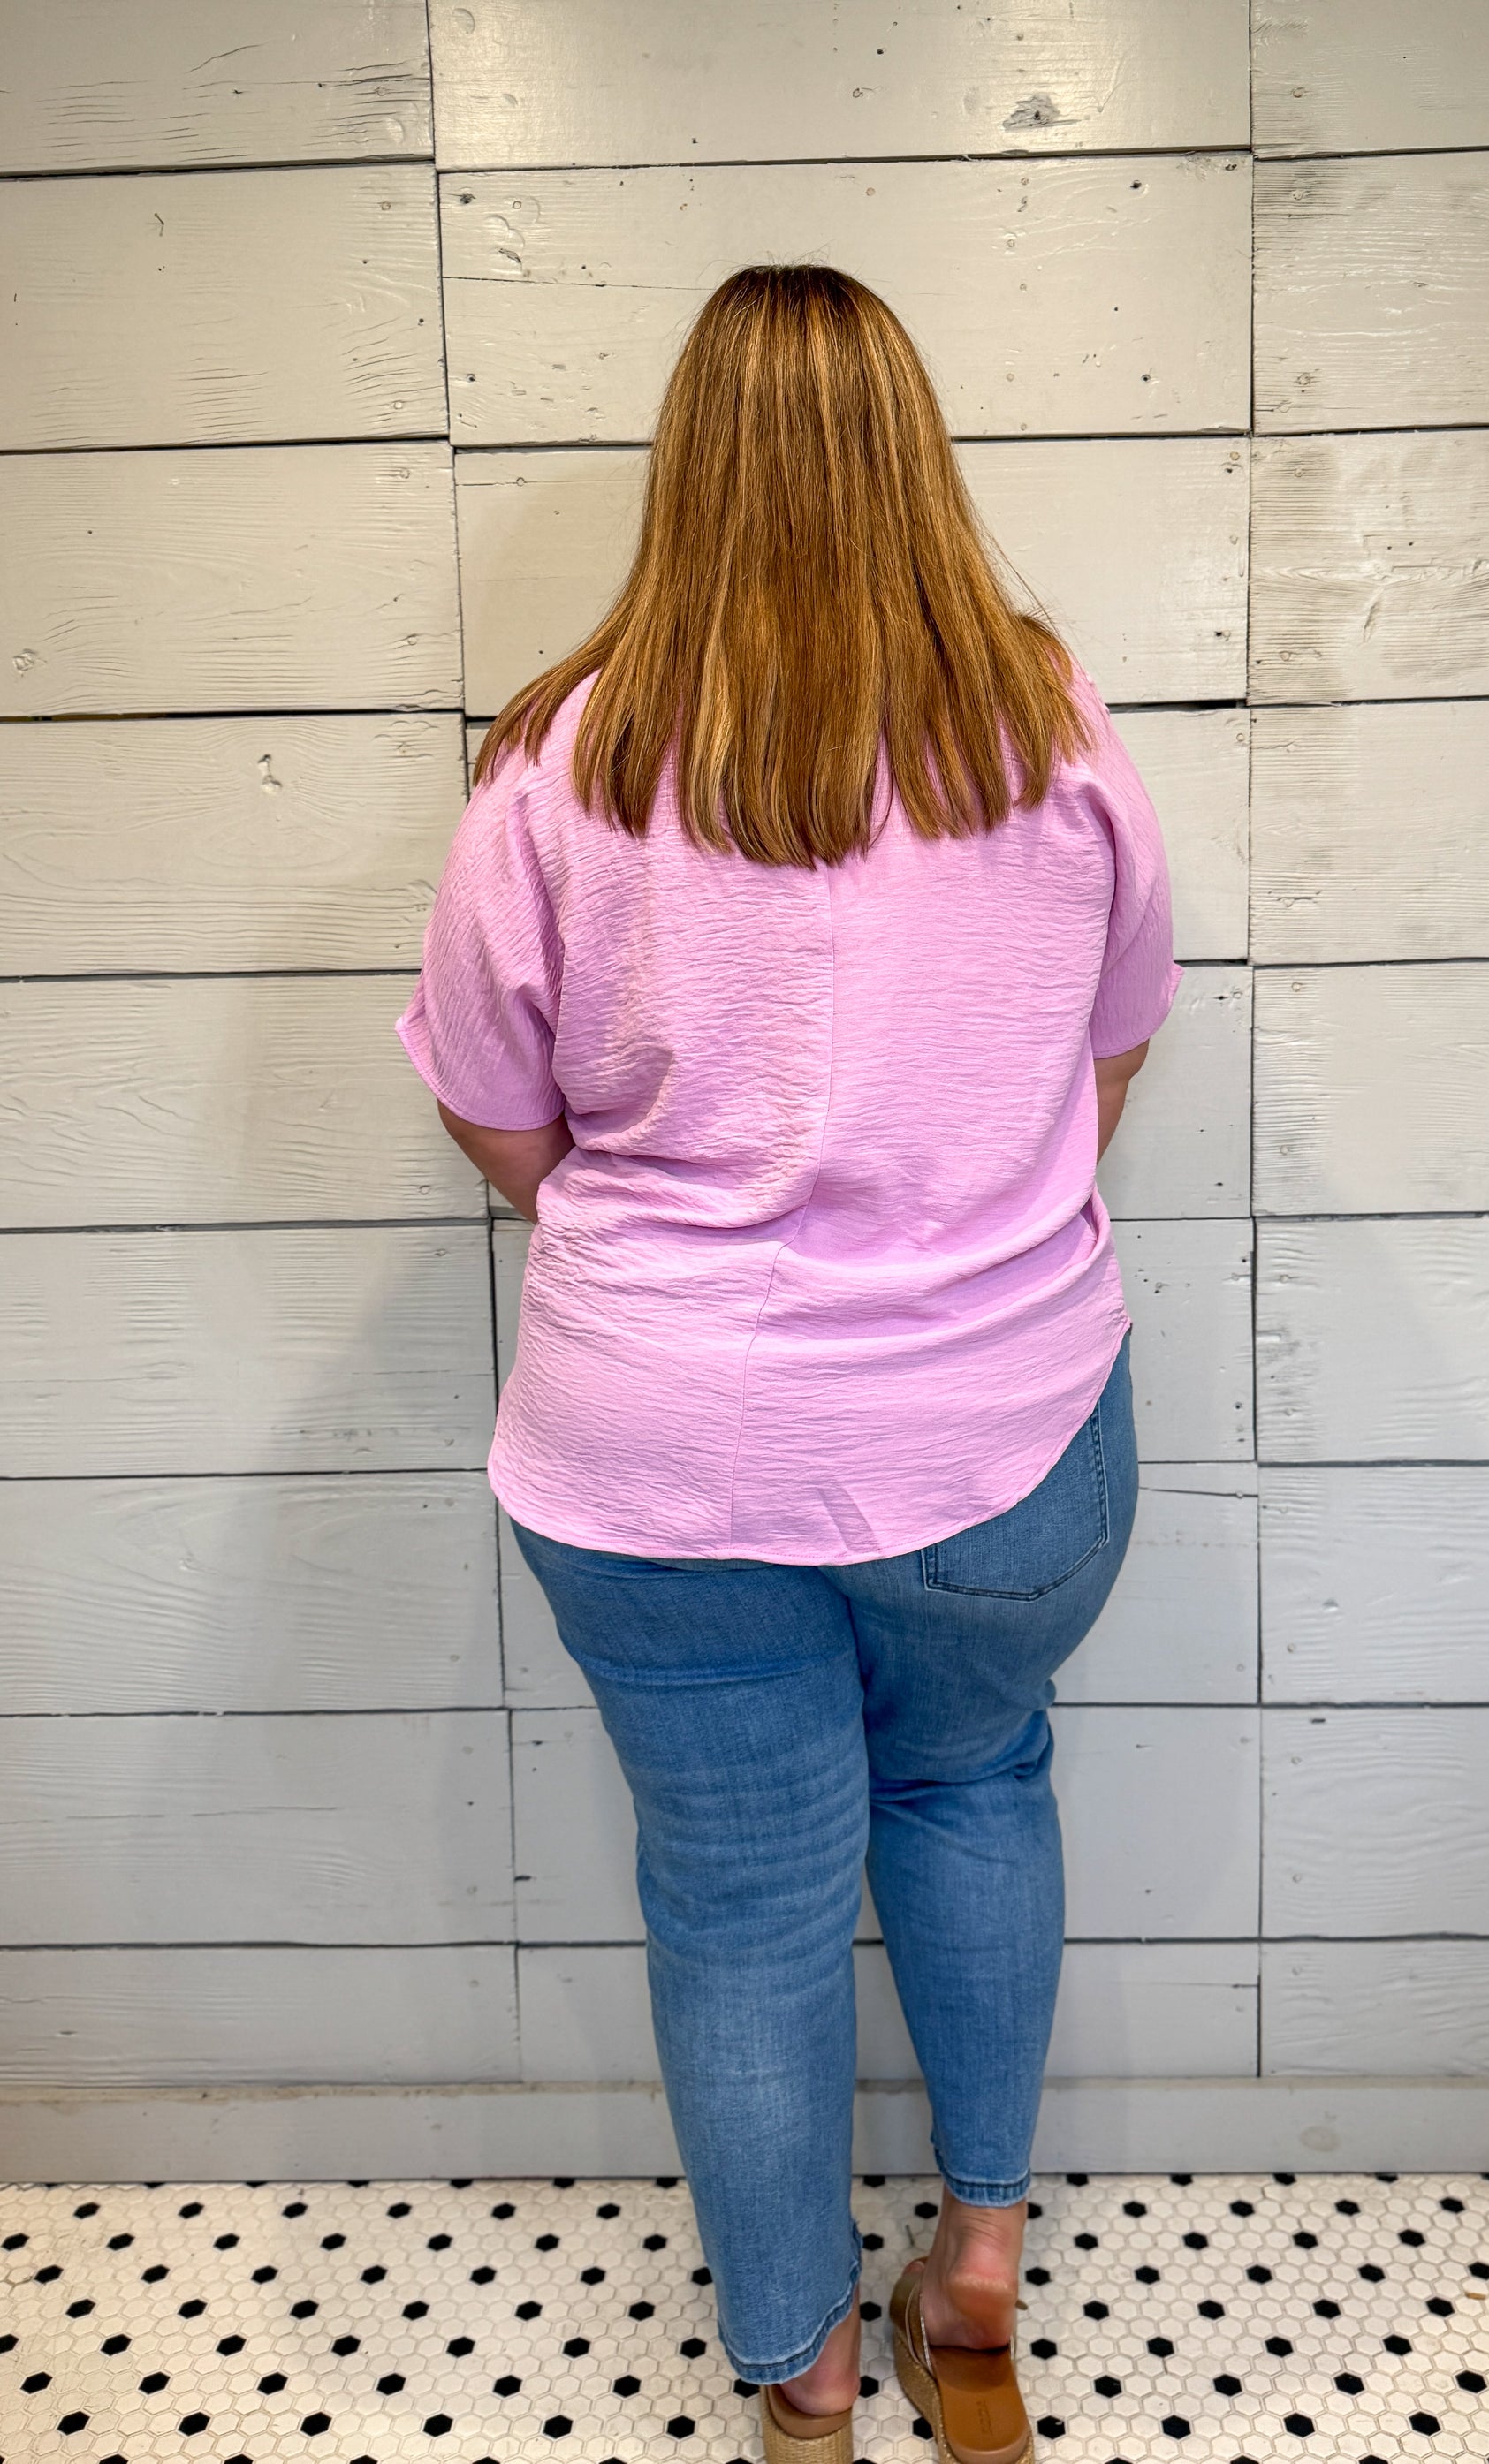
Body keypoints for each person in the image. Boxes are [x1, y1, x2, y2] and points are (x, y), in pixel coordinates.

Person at [395, 262, 1181, 2464]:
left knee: (737, 1907)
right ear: (913, 455)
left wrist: (660, 1254)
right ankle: (981, 2278)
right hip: (1007, 1432)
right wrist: (940, 1224)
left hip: (656, 1449)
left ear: (688, 465)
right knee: (972, 1783)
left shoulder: (566, 752)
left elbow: (484, 1095)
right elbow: (1099, 1054)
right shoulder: (1046, 724)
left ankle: (803, 2383)